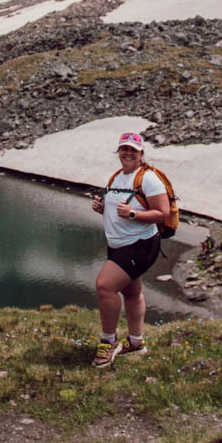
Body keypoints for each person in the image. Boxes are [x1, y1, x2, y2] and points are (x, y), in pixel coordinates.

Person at [91, 131, 169, 368]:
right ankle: (136, 343)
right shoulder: (117, 177)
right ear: (119, 152)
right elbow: (117, 207)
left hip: (140, 245)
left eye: (133, 150)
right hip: (118, 245)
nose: (127, 153)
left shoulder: (149, 178)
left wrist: (133, 214)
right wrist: (101, 208)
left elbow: (163, 213)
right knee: (132, 293)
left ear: (141, 153)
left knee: (104, 286)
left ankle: (109, 341)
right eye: (124, 149)